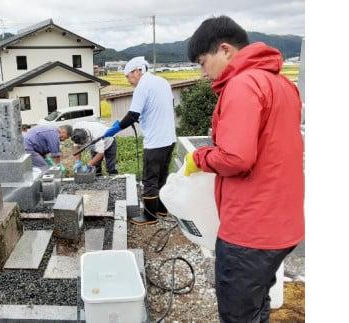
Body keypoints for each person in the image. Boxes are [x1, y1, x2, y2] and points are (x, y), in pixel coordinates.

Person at [185, 16, 304, 322]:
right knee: (257, 303)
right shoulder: (281, 83)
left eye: (202, 61)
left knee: (238, 314)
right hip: (282, 224)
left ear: (225, 49)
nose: (203, 72)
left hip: (249, 231)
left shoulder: (242, 84)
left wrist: (199, 158)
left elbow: (236, 158)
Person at [103, 56, 176, 225]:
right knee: (162, 177)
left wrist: (116, 129)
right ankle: (161, 209)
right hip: (169, 139)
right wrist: (144, 117)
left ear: (137, 71)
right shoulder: (162, 82)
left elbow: (133, 114)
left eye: (128, 76)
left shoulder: (142, 86)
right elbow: (160, 107)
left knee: (150, 179)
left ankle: (149, 216)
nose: (128, 80)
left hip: (155, 142)